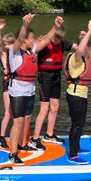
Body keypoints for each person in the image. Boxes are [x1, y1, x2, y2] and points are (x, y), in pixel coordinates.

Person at [6, 14, 57, 165]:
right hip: (18, 90)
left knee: (27, 119)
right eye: (31, 38)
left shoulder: (31, 50)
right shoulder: (14, 51)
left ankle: (23, 143)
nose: (34, 41)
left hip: (30, 90)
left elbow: (47, 39)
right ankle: (13, 153)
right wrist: (25, 25)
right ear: (24, 40)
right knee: (18, 122)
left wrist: (55, 26)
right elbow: (20, 38)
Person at [30, 15, 74, 149]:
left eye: (58, 39)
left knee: (55, 107)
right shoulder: (44, 44)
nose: (56, 41)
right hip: (45, 77)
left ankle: (49, 135)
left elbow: (78, 48)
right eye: (54, 38)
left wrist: (86, 39)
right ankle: (35, 138)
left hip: (56, 76)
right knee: (44, 109)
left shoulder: (62, 43)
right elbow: (34, 48)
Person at [65, 20, 91, 164]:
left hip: (81, 94)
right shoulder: (75, 58)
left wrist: (86, 38)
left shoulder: (85, 58)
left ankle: (76, 147)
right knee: (76, 124)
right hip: (75, 95)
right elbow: (79, 50)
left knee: (81, 123)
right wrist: (89, 31)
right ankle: (72, 154)